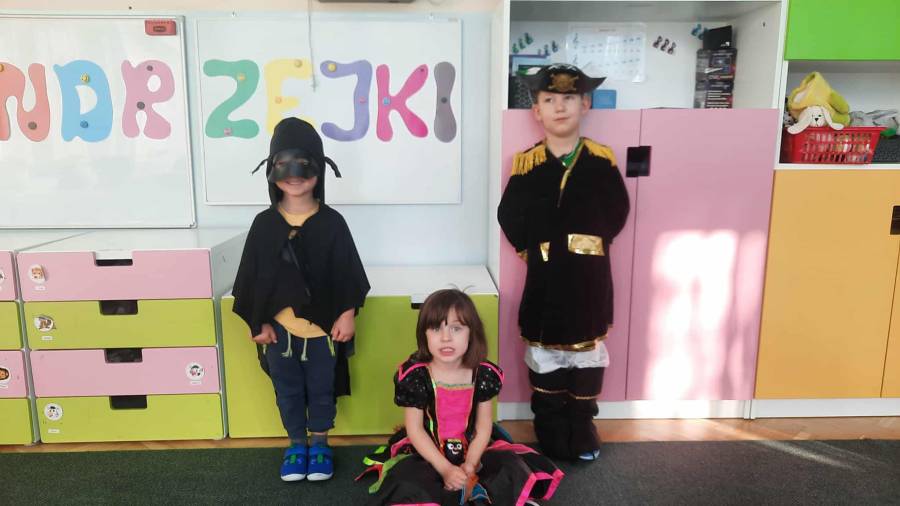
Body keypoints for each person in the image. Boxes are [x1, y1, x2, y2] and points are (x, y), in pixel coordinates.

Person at [497, 64, 630, 461]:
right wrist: (532, 250)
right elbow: (510, 214)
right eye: (549, 99)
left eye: (569, 98)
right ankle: (551, 427)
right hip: (545, 278)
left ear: (585, 104)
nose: (560, 107)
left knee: (587, 351)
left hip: (590, 277)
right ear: (536, 110)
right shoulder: (527, 163)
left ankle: (582, 426)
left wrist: (590, 242)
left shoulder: (600, 159)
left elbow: (617, 209)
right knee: (544, 349)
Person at [232, 117, 370, 482]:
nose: (294, 176)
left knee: (322, 390)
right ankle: (296, 444)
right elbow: (251, 278)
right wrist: (258, 322)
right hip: (280, 334)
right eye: (284, 164)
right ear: (271, 169)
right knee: (288, 391)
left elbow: (347, 273)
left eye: (304, 165)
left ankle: (320, 443)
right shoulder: (264, 225)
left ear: (319, 170)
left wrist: (347, 313)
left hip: (323, 333)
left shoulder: (332, 223)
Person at [362, 289, 562, 505]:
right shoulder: (416, 375)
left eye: (456, 328)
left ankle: (483, 493)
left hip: (474, 447)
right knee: (408, 480)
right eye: (436, 328)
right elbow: (415, 430)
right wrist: (445, 469)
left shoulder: (484, 373)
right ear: (424, 334)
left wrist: (471, 464)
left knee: (509, 466)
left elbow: (483, 427)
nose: (445, 338)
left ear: (471, 333)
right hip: (428, 451)